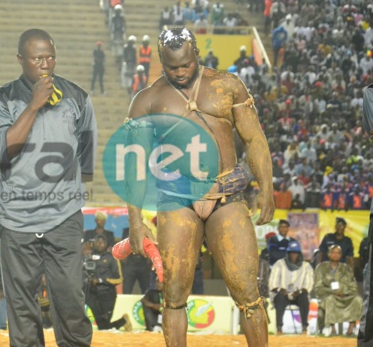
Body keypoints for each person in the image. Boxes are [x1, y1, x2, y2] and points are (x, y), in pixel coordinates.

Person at [125, 27, 274, 347]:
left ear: (197, 56)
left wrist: (267, 187)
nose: (180, 73)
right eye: (172, 67)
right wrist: (135, 221)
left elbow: (254, 138)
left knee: (248, 291)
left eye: (186, 65)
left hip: (227, 194)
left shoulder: (227, 85)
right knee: (174, 293)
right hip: (177, 198)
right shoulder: (147, 99)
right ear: (161, 62)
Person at [0, 28, 96, 346]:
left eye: (50, 56)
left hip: (63, 217)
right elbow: (3, 150)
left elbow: (86, 159)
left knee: (71, 300)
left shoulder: (77, 97)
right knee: (21, 308)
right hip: (17, 219)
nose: (45, 64)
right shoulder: (1, 99)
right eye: (37, 58)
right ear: (21, 60)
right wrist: (33, 105)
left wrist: (67, 195)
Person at [85, 235, 132, 331]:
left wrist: (101, 280)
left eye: (102, 242)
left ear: (106, 244)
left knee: (104, 328)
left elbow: (119, 278)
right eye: (97, 242)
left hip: (107, 294)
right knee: (102, 327)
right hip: (93, 294)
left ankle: (123, 320)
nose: (99, 244)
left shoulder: (112, 258)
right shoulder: (89, 257)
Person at [314, 245, 362, 336]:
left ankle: (351, 329)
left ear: (341, 255)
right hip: (328, 296)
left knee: (357, 299)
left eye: (338, 253)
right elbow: (318, 288)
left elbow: (354, 286)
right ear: (328, 254)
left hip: (345, 297)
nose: (335, 255)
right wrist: (333, 292)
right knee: (330, 299)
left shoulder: (346, 268)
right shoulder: (321, 268)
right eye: (333, 252)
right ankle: (332, 329)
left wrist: (344, 292)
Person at [268, 241, 314, 335]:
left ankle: (304, 327)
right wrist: (280, 289)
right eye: (291, 253)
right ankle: (279, 328)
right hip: (283, 294)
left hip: (299, 294)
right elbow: (272, 283)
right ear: (288, 253)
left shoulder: (306, 266)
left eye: (296, 253)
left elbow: (309, 284)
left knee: (304, 297)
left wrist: (300, 291)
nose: (294, 255)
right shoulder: (279, 264)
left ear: (299, 254)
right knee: (279, 298)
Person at [121, 226, 152, 294]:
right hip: (130, 262)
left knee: (146, 290)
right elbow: (122, 246)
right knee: (126, 290)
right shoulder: (126, 231)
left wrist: (150, 258)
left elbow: (151, 245)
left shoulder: (147, 231)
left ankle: (147, 303)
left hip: (143, 262)